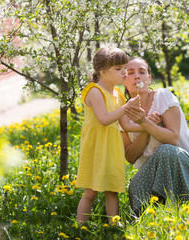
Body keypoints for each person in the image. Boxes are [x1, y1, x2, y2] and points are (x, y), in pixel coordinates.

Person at [121, 57, 189, 216]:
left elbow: (172, 139)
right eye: (131, 73)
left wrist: (143, 122)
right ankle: (153, 216)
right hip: (152, 170)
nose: (137, 76)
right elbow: (130, 156)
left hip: (188, 160)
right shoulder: (122, 112)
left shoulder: (162, 96)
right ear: (124, 80)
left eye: (142, 72)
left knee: (166, 151)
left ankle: (182, 205)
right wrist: (146, 127)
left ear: (149, 79)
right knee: (134, 184)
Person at [75, 47, 139, 224]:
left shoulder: (118, 95)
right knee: (90, 191)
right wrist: (126, 108)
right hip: (96, 147)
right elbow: (103, 119)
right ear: (103, 72)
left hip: (112, 146)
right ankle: (81, 226)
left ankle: (114, 223)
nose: (124, 72)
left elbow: (125, 124)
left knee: (112, 188)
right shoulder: (95, 91)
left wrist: (147, 123)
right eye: (118, 69)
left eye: (124, 67)